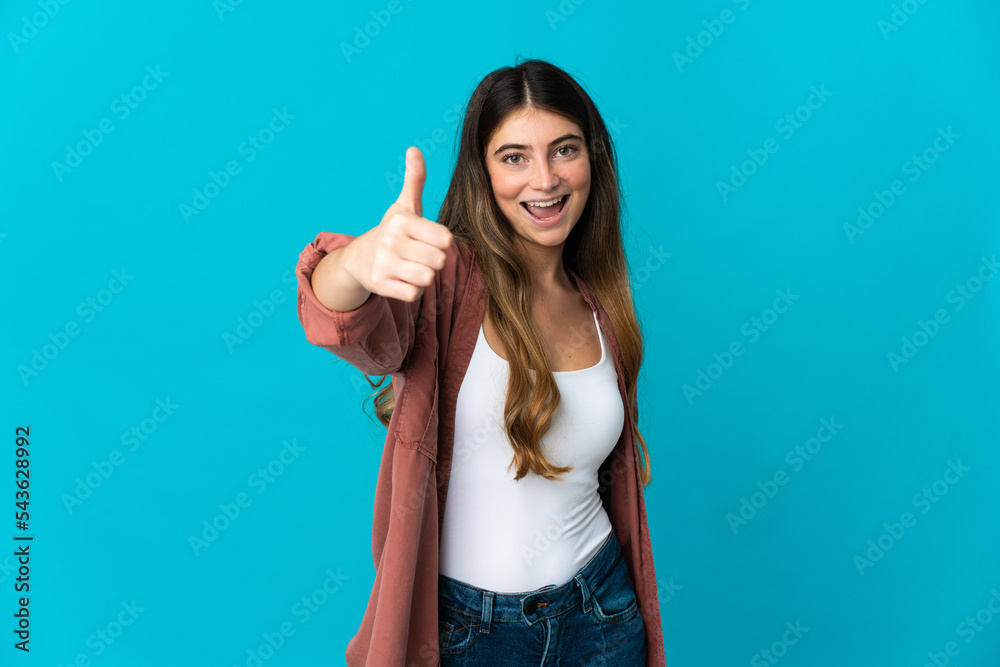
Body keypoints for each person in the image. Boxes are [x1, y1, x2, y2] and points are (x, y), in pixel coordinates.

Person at [295, 58, 666, 666]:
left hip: (600, 614)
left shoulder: (603, 303)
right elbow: (349, 327)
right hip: (469, 633)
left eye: (564, 150)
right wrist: (357, 264)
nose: (543, 179)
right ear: (483, 172)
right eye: (514, 156)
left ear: (592, 160)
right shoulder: (448, 281)